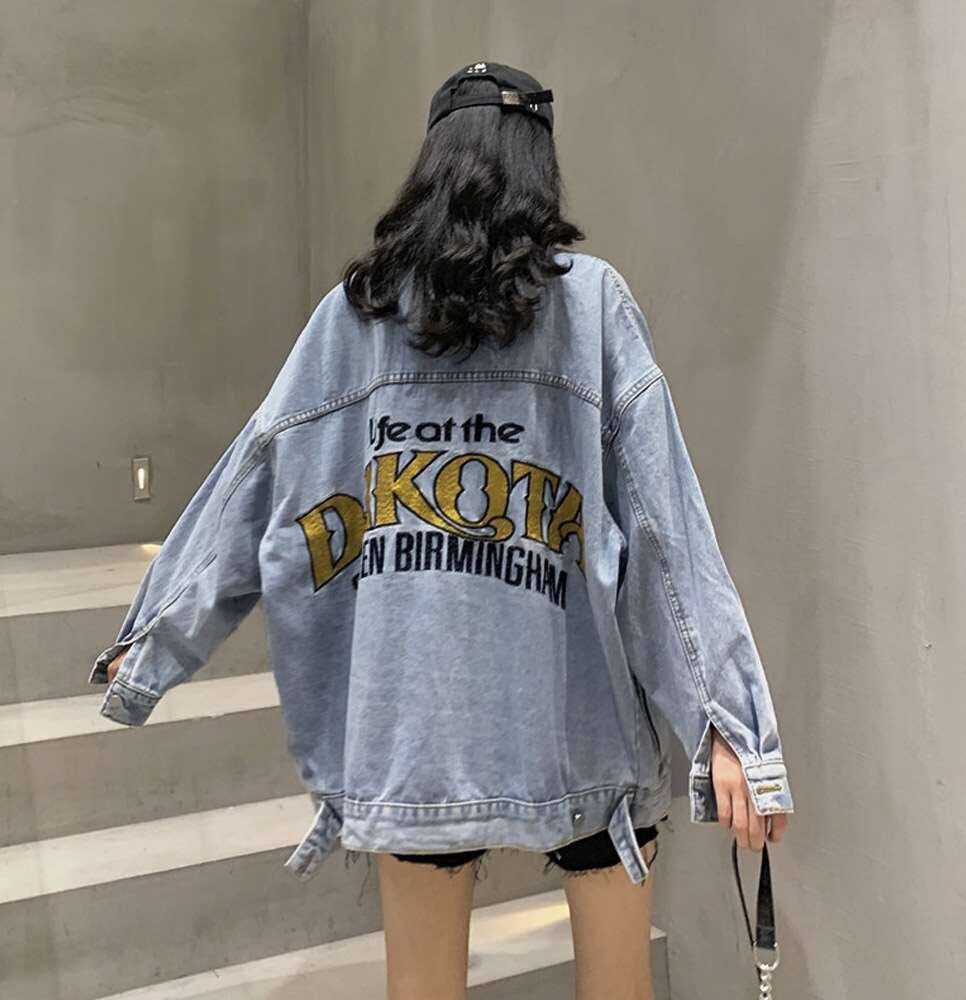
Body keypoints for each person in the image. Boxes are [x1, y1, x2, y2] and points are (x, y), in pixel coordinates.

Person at [97, 61, 793, 1000]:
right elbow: (664, 531)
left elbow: (254, 481)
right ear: (540, 170)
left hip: (412, 728)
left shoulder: (354, 320)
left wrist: (153, 641)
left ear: (429, 167)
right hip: (577, 724)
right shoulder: (588, 305)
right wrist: (732, 724)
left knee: (419, 987)